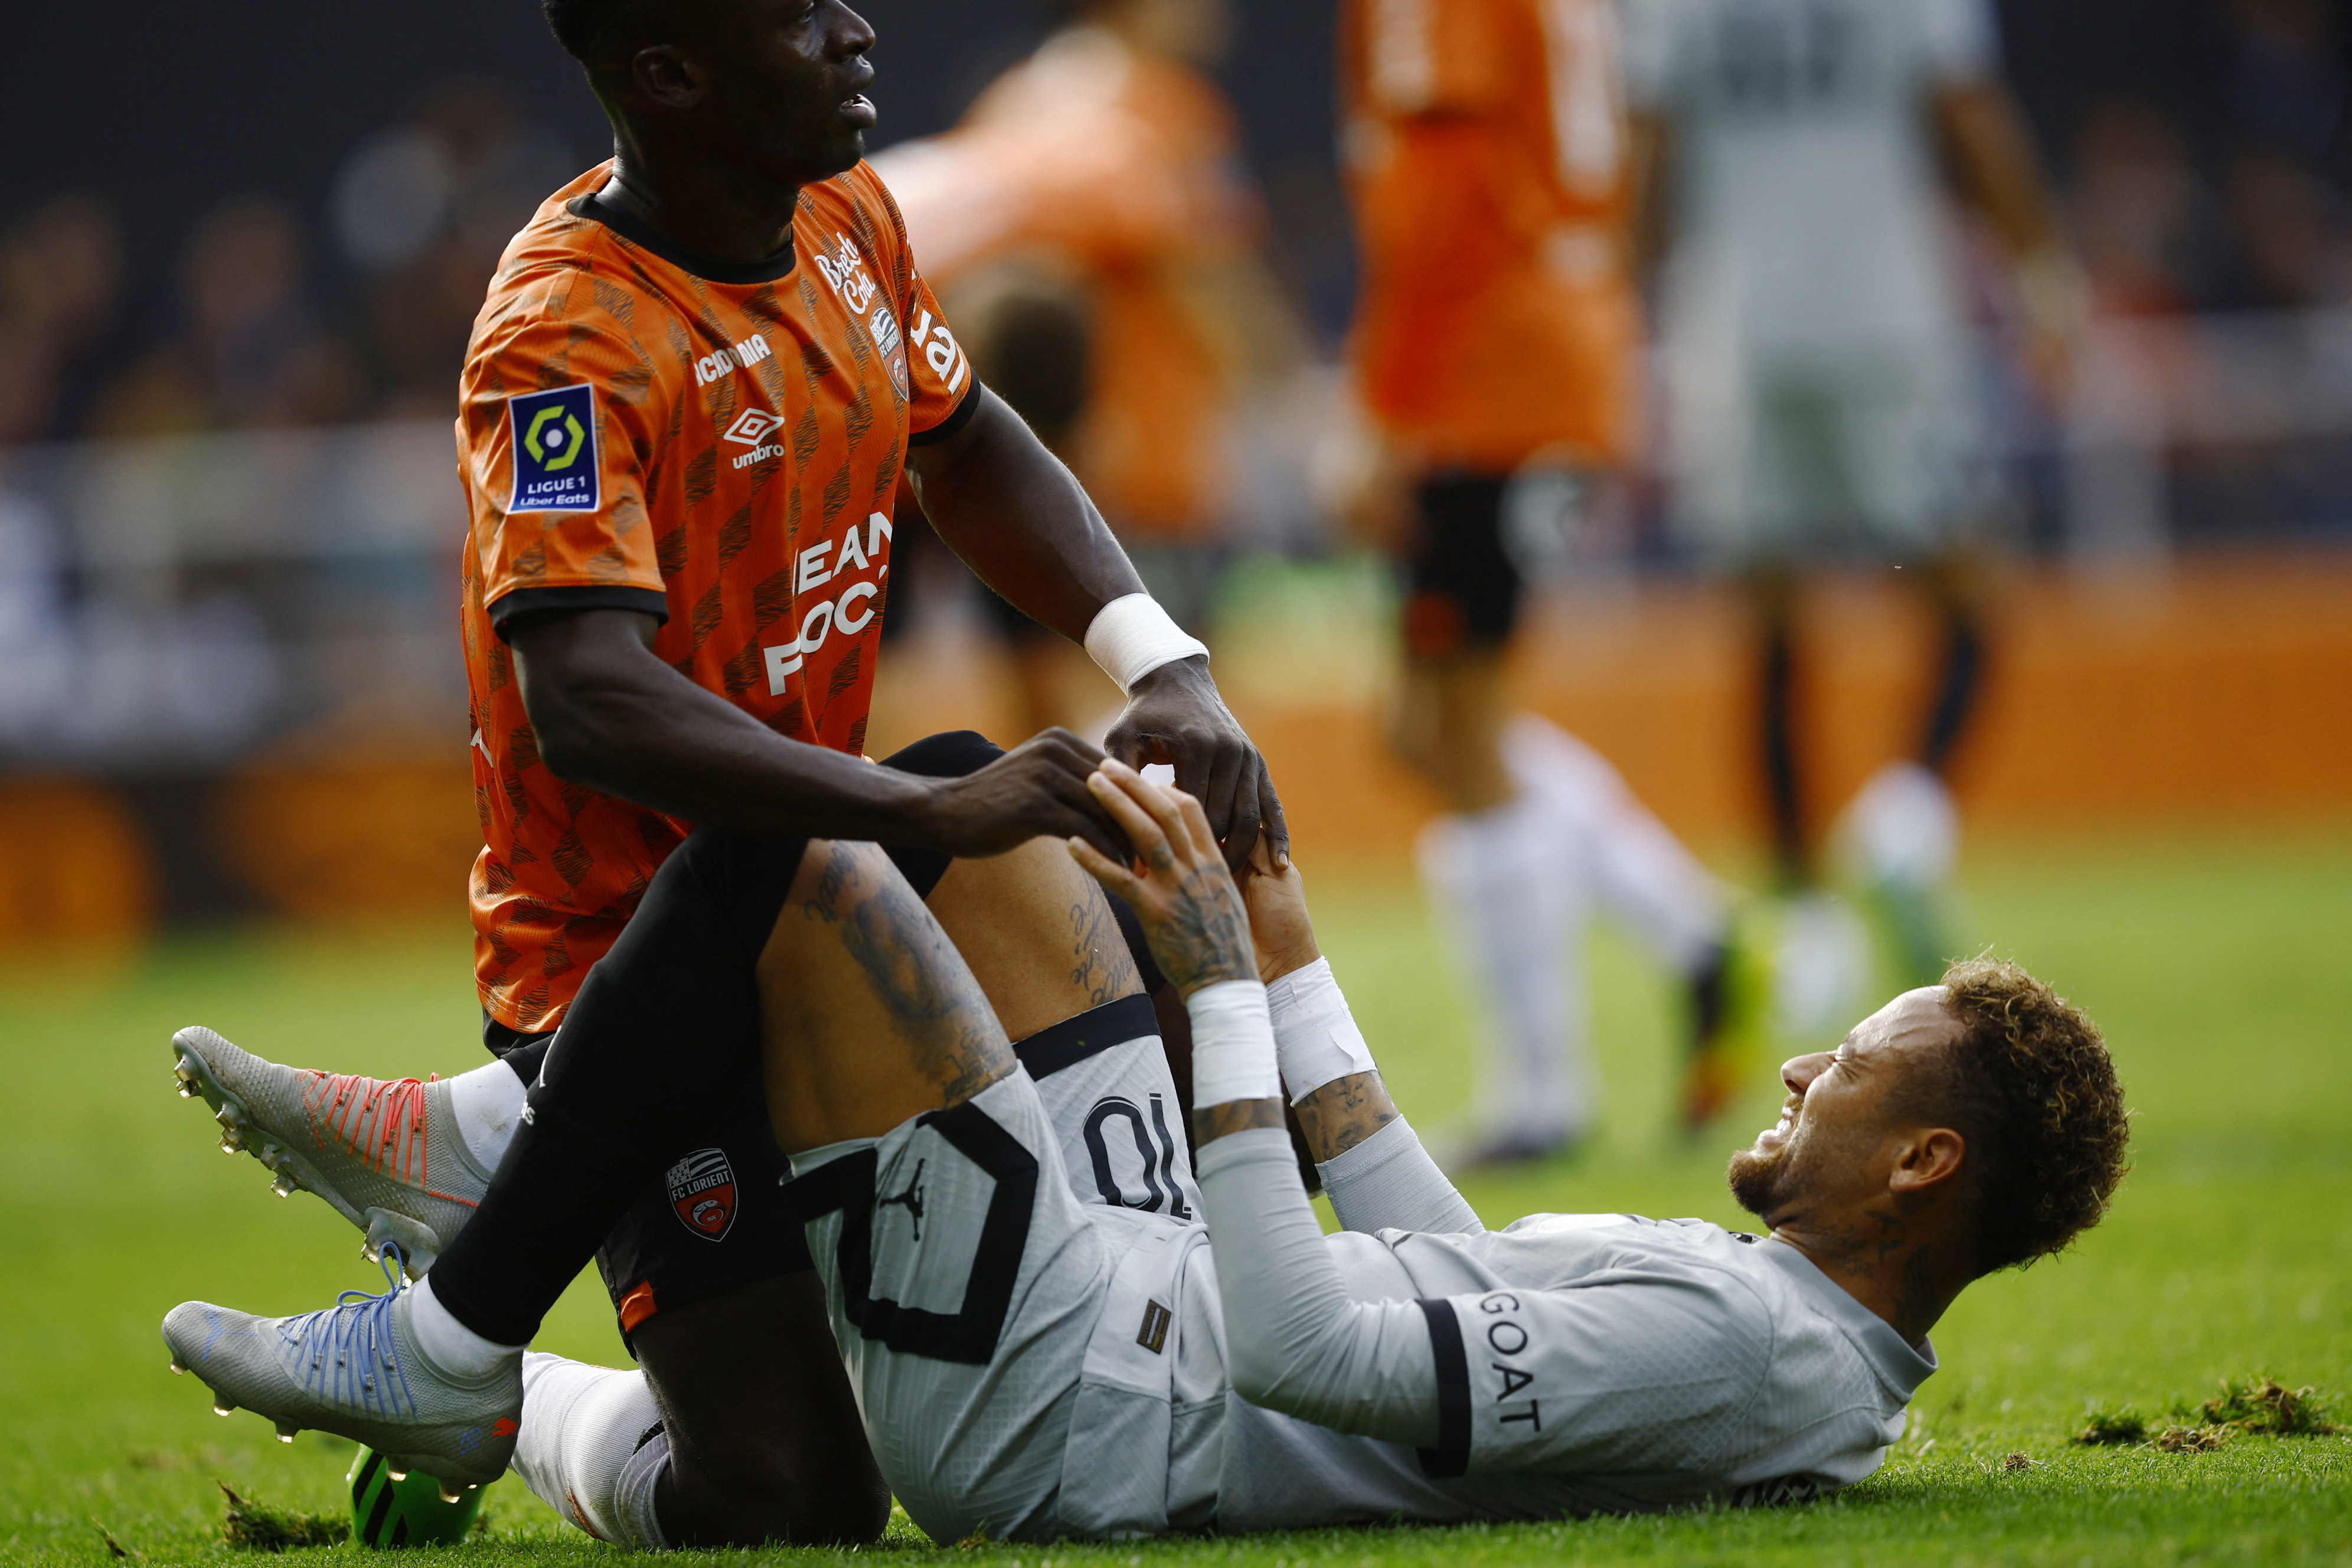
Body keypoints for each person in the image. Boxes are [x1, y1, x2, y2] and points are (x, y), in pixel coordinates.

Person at [165, 0, 1282, 1547]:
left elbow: (961, 440)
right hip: (629, 975)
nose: (855, 31)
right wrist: (917, 810)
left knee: (1007, 806)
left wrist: (1158, 658)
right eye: (799, 14)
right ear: (672, 73)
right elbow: (592, 704)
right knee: (790, 1505)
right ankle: (521, 1254)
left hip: (813, 897)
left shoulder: (847, 220)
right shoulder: (564, 334)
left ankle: (482, 1181)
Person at [165, 762, 2128, 1539]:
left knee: (799, 858)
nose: (1799, 1062)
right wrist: (1278, 948)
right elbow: (1439, 1268)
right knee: (992, 803)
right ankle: (499, 1322)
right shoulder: (1777, 1327)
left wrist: (1209, 1010)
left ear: (1923, 1164)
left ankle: (465, 1288)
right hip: (1129, 1309)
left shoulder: (1746, 1352)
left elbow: (1316, 1354)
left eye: (1851, 1063)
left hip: (1090, 1399)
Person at [1331, 0, 1742, 1157]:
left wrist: (1382, 402)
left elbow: (1443, 192)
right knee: (1429, 727)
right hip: (1550, 347)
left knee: (1455, 731)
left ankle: (1543, 1090)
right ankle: (1697, 933)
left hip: (1486, 371)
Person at [1621, 0, 2076, 985]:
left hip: (1736, 324)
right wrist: (2040, 273)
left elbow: (1646, 149)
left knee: (1770, 628)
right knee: (1964, 595)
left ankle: (1807, 922)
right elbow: (1965, 112)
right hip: (1888, 316)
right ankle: (1905, 819)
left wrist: (1619, 306)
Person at [870, 0, 1305, 737]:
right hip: (1094, 446)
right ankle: (1114, 842)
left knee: (873, 678)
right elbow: (1203, 272)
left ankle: (886, 842)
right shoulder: (1153, 109)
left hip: (907, 400)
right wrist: (1288, 397)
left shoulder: (1015, 96)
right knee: (1143, 688)